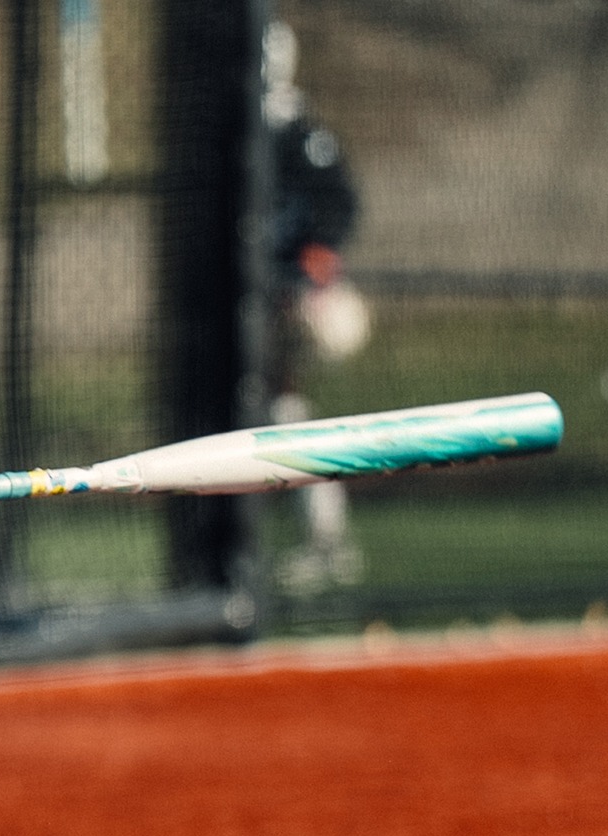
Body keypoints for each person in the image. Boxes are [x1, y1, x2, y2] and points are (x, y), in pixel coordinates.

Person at [264, 18, 368, 592]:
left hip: (285, 298)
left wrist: (319, 252)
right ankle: (315, 544)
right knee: (276, 414)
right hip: (256, 297)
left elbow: (340, 202)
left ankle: (325, 544)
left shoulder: (296, 133)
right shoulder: (242, 130)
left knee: (287, 412)